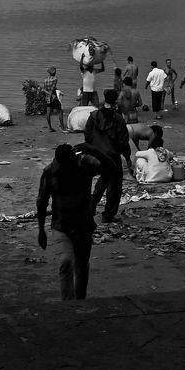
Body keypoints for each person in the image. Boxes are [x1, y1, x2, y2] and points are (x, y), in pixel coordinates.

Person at [36, 143, 112, 300]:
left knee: (82, 266)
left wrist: (94, 150)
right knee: (65, 262)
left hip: (83, 224)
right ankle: (69, 304)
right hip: (61, 225)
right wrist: (41, 230)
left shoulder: (86, 164)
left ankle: (80, 301)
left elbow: (111, 168)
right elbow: (42, 201)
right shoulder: (50, 172)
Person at [83, 89, 133, 223]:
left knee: (103, 179)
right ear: (115, 101)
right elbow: (123, 141)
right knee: (115, 185)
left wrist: (92, 148)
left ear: (105, 100)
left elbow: (87, 135)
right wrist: (127, 158)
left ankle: (92, 204)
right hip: (111, 157)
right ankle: (108, 215)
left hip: (93, 155)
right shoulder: (118, 119)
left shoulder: (93, 116)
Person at [43, 65, 67, 132]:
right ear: (54, 72)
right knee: (60, 111)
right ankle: (62, 128)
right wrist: (52, 95)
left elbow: (44, 89)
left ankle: (50, 128)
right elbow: (53, 89)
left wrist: (48, 95)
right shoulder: (55, 79)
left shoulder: (46, 80)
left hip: (47, 97)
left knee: (48, 112)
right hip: (53, 97)